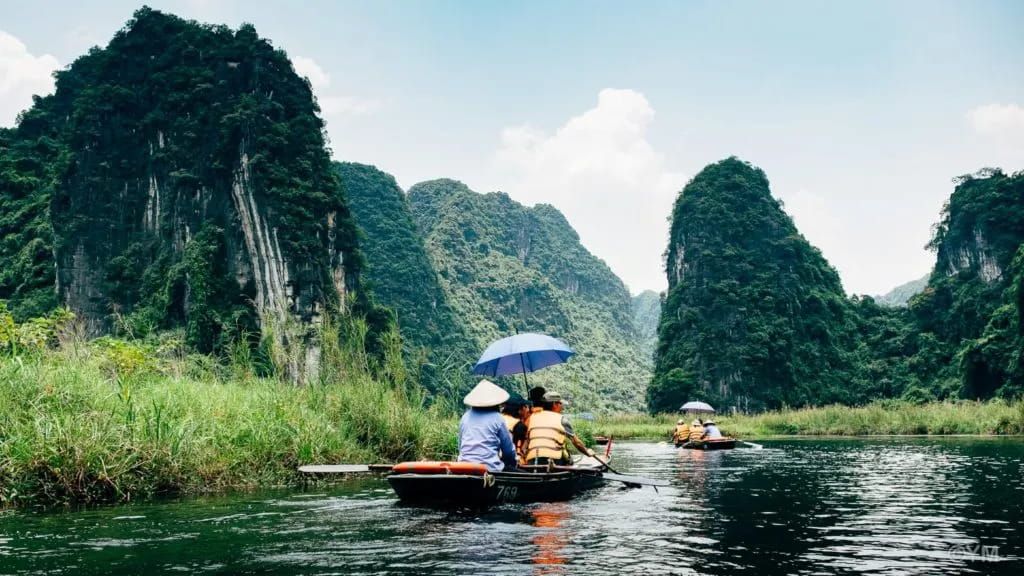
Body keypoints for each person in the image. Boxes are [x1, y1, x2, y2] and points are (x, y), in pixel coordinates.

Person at [458, 380, 518, 471]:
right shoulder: (497, 418)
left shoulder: (465, 417)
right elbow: (508, 451)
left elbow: (460, 446)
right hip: (490, 468)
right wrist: (511, 462)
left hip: (464, 467)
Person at [524, 391, 595, 465]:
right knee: (568, 459)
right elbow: (576, 442)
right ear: (554, 404)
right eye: (560, 403)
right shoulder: (562, 419)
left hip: (532, 460)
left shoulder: (532, 417)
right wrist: (587, 452)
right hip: (554, 460)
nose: (562, 406)